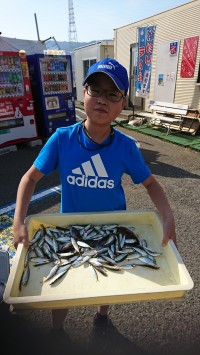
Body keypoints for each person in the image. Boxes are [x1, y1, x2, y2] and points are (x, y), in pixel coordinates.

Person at [13, 57, 176, 338]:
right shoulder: (62, 139)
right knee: (62, 288)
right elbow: (29, 178)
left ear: (122, 104)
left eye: (112, 94)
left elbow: (150, 183)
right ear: (83, 94)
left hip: (113, 228)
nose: (102, 100)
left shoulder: (126, 147)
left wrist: (168, 216)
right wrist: (18, 221)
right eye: (95, 90)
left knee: (107, 278)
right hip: (70, 228)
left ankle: (102, 314)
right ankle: (57, 329)